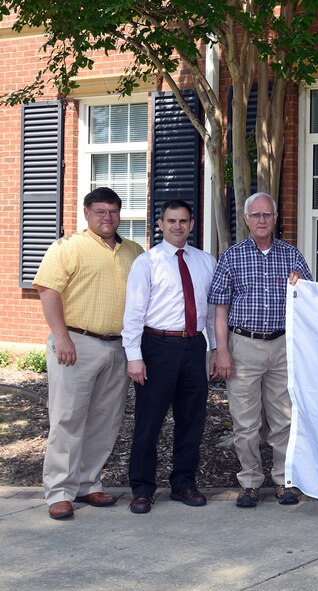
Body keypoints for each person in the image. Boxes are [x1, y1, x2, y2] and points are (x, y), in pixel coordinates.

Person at [33, 187, 143, 520]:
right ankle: (59, 492)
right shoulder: (68, 247)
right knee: (67, 420)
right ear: (86, 213)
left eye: (112, 211)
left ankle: (88, 483)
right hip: (76, 344)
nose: (106, 217)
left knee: (104, 421)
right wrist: (62, 337)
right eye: (99, 211)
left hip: (118, 347)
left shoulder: (135, 252)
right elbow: (48, 290)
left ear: (120, 214)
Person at [208, 192, 312, 508]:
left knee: (284, 419)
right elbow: (220, 309)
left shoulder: (291, 256)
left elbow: (311, 300)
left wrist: (302, 285)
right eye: (256, 215)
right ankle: (250, 482)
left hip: (281, 346)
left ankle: (283, 481)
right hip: (243, 346)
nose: (262, 221)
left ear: (275, 218)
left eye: (267, 215)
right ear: (246, 219)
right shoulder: (232, 256)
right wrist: (221, 350)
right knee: (245, 421)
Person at [122, 200, 217, 514]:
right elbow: (134, 314)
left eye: (184, 221)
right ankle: (142, 488)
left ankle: (184, 483)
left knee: (191, 420)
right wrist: (134, 357)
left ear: (191, 225)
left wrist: (215, 347)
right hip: (157, 346)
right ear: (160, 224)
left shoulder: (206, 261)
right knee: (149, 422)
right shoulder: (147, 263)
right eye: (171, 221)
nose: (178, 226)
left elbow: (212, 311)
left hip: (193, 347)